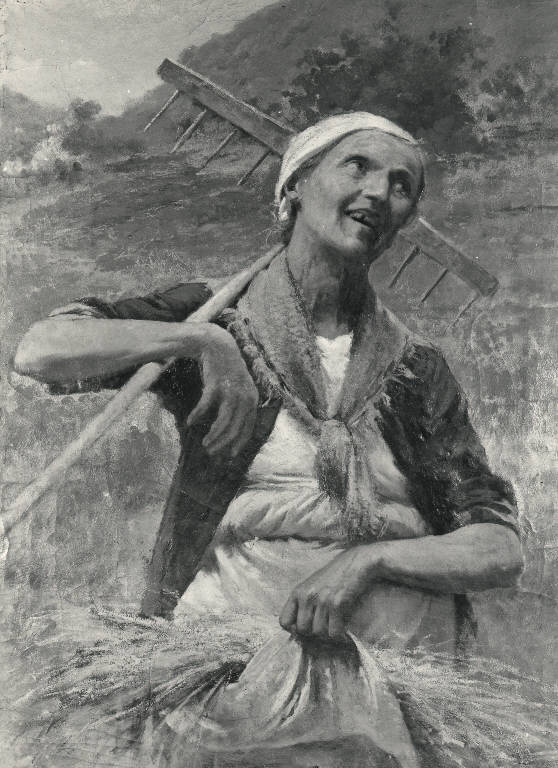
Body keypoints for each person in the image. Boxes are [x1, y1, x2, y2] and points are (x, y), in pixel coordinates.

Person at [14, 112, 523, 767]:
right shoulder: (218, 316)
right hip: (237, 661)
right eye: (358, 166)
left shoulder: (415, 369)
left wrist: (367, 562)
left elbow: (499, 547)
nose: (378, 192)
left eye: (401, 185)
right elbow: (40, 350)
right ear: (296, 186)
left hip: (392, 666)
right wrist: (199, 339)